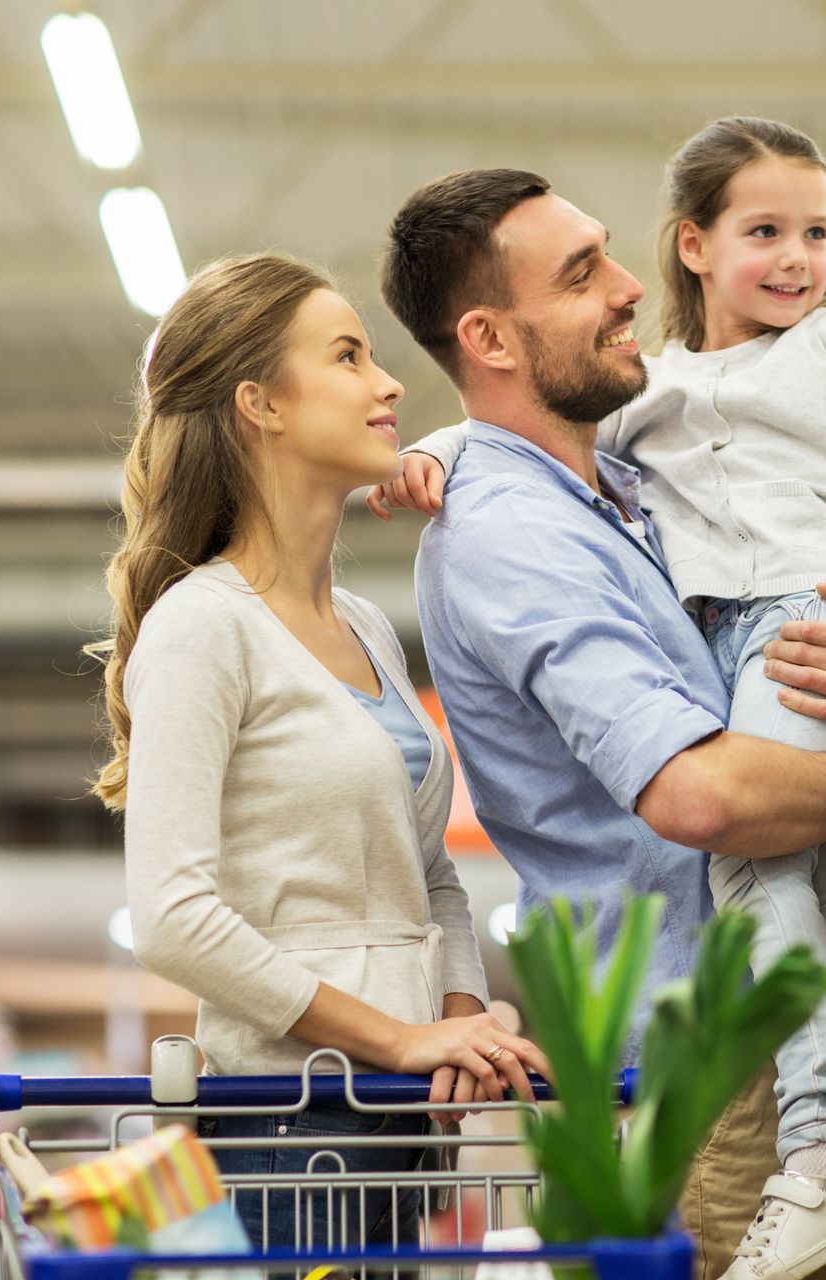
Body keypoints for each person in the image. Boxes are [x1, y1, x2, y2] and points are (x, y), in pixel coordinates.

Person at [377, 119, 826, 1280]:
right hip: (699, 1031)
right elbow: (707, 799)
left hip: (738, 1012)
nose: (627, 289)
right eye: (582, 273)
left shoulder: (623, 481)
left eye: (815, 231)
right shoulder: (519, 517)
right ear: (489, 335)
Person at [87, 251, 549, 1262]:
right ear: (261, 404)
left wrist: (458, 1026)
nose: (388, 384)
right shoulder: (203, 626)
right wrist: (400, 1038)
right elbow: (172, 914)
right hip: (287, 1128)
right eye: (347, 356)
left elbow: (431, 875)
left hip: (398, 1123)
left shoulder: (367, 626)